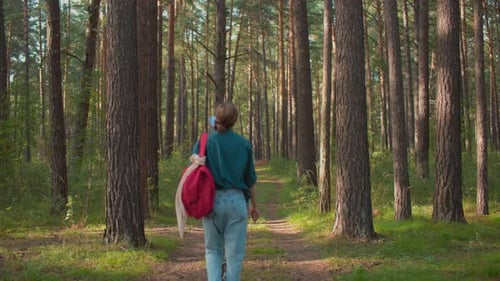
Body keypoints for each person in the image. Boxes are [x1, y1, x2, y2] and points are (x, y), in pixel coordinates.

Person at [192, 101, 259, 281]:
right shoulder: (243, 144)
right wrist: (254, 206)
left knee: (213, 250)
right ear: (235, 120)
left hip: (212, 201)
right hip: (238, 203)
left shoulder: (206, 140)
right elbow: (250, 179)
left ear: (217, 117)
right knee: (234, 256)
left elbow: (194, 161)